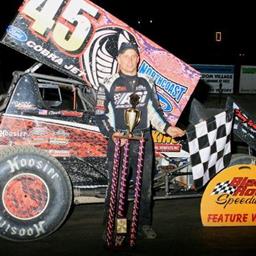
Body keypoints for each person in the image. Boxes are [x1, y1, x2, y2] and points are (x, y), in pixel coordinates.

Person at [95, 42, 185, 240]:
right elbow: (100, 115)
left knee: (145, 187)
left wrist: (168, 129)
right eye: (124, 56)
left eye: (133, 56)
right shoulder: (107, 83)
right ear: (118, 59)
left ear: (138, 59)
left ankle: (143, 223)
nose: (129, 60)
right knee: (117, 186)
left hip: (144, 140)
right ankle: (115, 226)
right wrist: (112, 134)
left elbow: (155, 112)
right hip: (119, 141)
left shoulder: (147, 81)